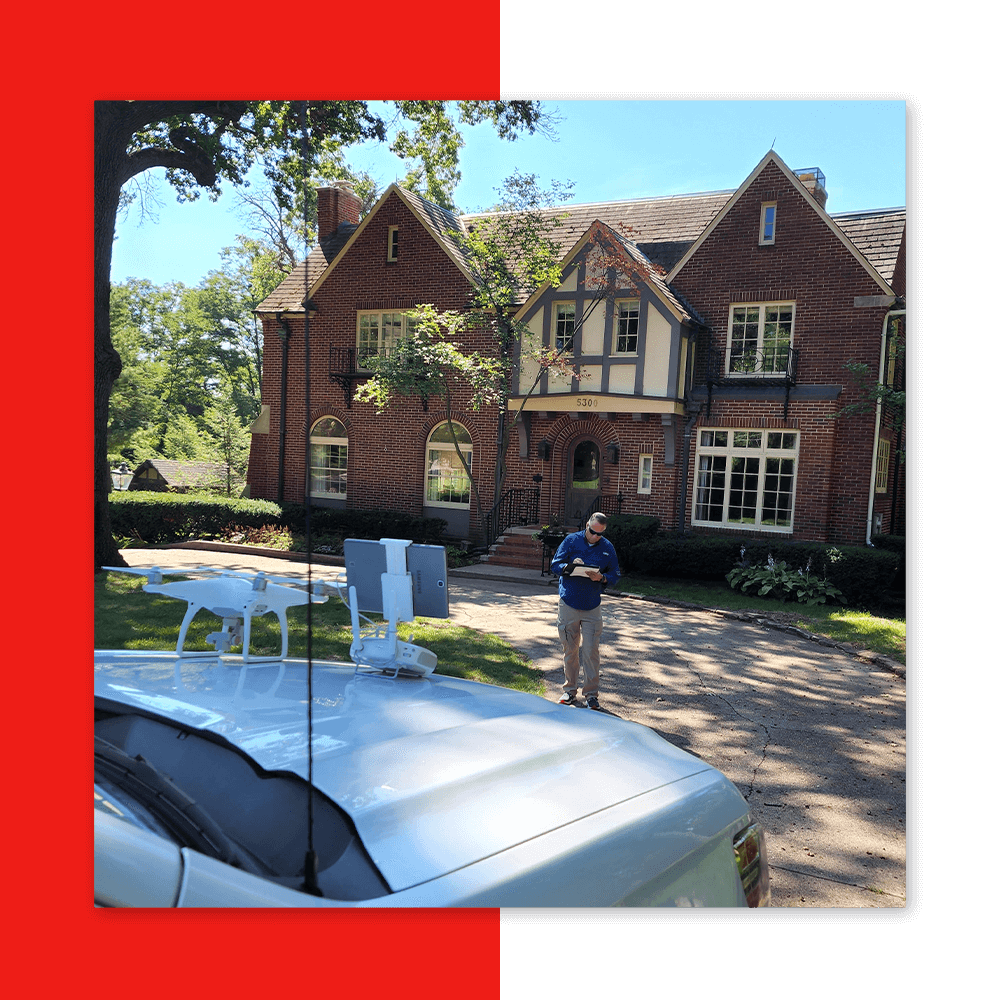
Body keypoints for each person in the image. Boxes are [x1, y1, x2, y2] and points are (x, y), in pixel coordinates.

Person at [550, 512, 620, 710]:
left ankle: (591, 695)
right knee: (570, 650)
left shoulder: (607, 547)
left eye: (600, 534)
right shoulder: (571, 541)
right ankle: (569, 691)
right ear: (587, 524)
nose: (595, 536)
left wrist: (603, 578)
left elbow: (615, 574)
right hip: (569, 603)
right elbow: (555, 564)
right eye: (592, 532)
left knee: (591, 651)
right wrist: (569, 567)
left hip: (592, 606)